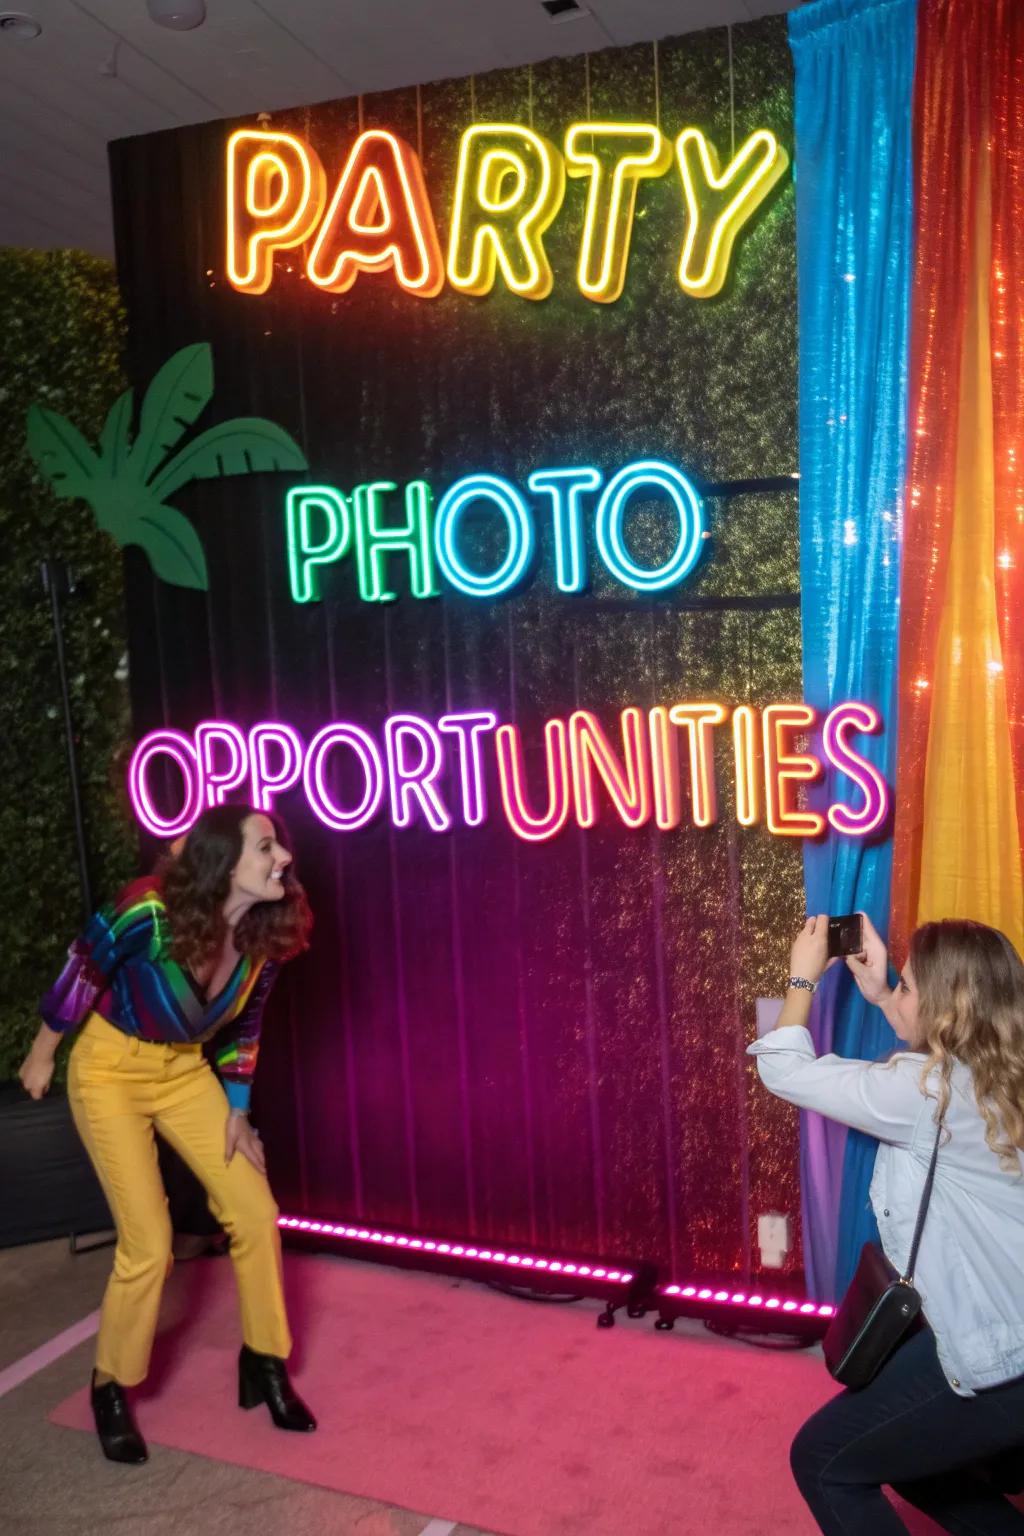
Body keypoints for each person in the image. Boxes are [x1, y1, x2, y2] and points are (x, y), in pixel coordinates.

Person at [18, 804, 317, 1464]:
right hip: (110, 1069)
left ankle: (265, 1362)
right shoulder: (147, 911)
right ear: (222, 863)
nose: (284, 858)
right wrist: (43, 1052)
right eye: (266, 847)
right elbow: (83, 968)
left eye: (280, 847)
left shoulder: (266, 937)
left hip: (184, 1072)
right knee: (149, 1243)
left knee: (254, 1209)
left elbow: (244, 1031)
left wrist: (237, 1113)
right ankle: (111, 1386)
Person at [750, 912, 1024, 1534]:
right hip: (1005, 1331)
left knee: (823, 1460)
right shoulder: (998, 1075)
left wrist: (801, 979)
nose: (894, 989)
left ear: (947, 1015)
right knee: (910, 1458)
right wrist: (883, 994)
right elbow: (933, 1069)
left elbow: (784, 1070)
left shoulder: (930, 1096)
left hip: (1001, 1358)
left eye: (906, 986)